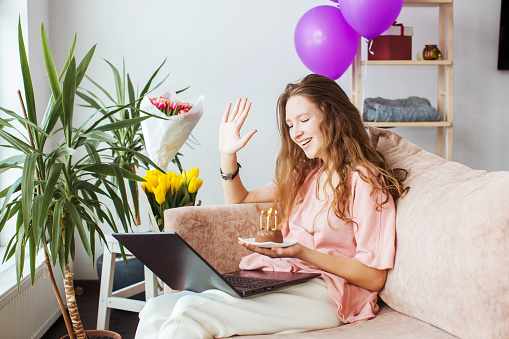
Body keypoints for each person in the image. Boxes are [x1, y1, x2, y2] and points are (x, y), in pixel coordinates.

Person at [135, 74, 408, 338]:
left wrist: (302, 252)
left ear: (333, 115)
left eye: (304, 119)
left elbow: (373, 277)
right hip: (287, 278)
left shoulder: (363, 179)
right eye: (290, 125)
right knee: (155, 309)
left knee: (189, 313)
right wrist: (227, 155)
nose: (296, 133)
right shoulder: (307, 175)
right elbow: (238, 201)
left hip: (328, 293)